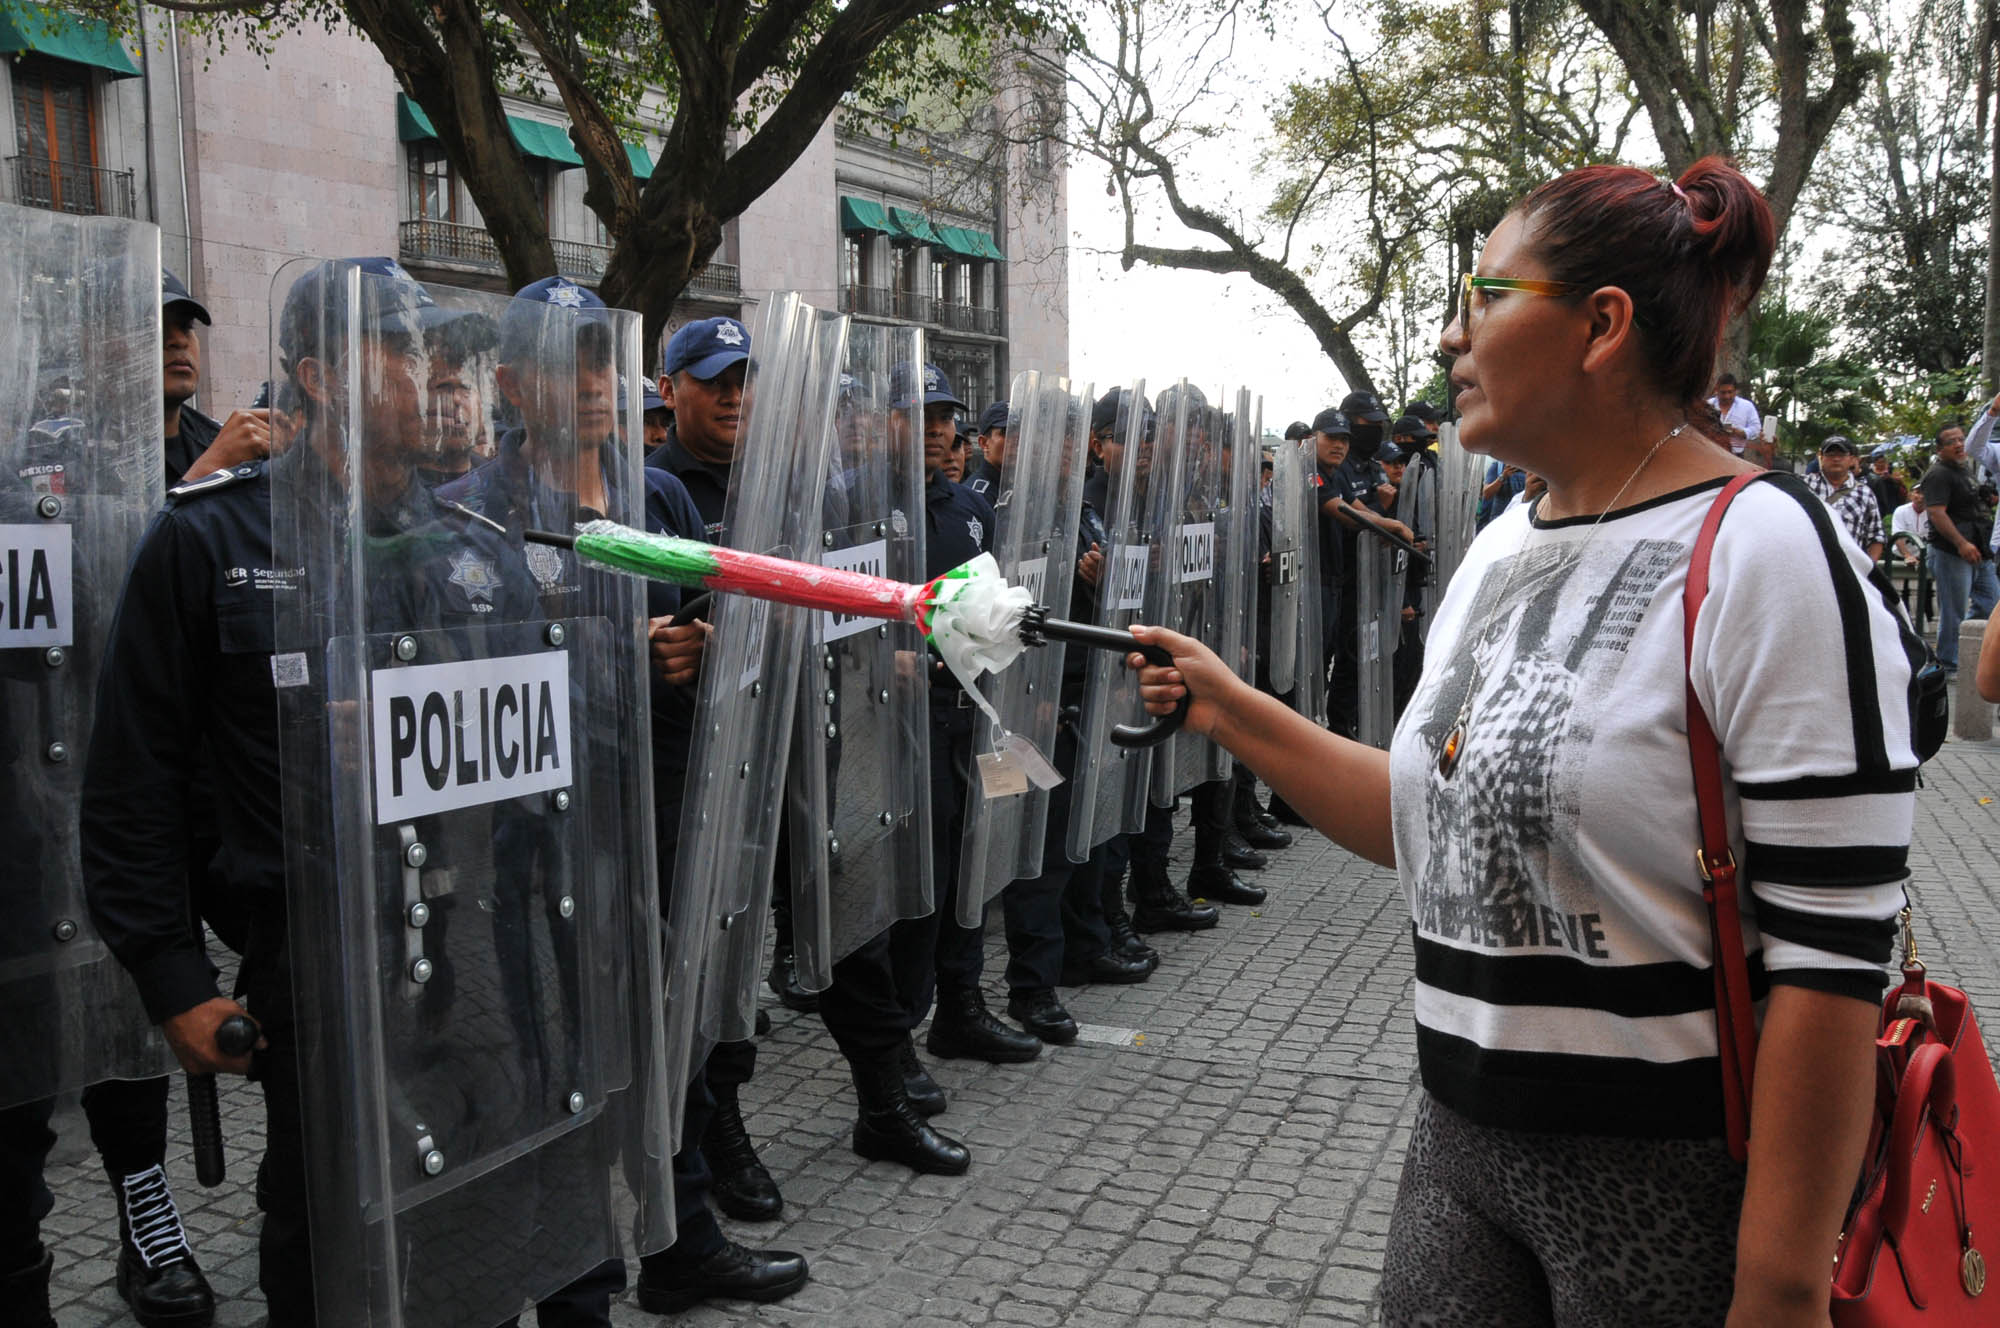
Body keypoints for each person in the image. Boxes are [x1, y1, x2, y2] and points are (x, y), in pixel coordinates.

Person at [1130, 157, 1920, 1327]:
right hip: (1456, 1149)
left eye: (1481, 299)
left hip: (1676, 1188)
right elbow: (1421, 821)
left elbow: (1829, 959)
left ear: (1600, 326)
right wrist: (1229, 707)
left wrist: (1780, 1285)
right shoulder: (1503, 543)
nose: (1451, 341)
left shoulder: (1767, 550)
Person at [162, 270, 272, 489]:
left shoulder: (217, 440)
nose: (179, 341)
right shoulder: (80, 455)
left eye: (186, 327)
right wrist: (207, 471)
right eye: (154, 326)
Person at [1918, 418, 1998, 672]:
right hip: (1951, 551)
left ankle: (1970, 648)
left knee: (1991, 601)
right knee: (1953, 612)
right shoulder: (1938, 473)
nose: (1958, 445)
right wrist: (1961, 543)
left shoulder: (1964, 469)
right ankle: (1949, 664)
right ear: (1940, 449)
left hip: (1980, 549)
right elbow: (1937, 513)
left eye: (1961, 439)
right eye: (1951, 441)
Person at [1803, 435, 1884, 562]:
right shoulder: (1804, 485)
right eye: (1830, 454)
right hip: (1812, 565)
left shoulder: (1864, 493)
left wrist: (1866, 572)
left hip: (1850, 570)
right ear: (1821, 458)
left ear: (1852, 459)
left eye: (1841, 454)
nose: (1836, 459)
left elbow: (1876, 537)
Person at [1706, 372, 1760, 453]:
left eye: (1730, 392)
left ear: (1735, 391)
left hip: (1735, 456)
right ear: (1717, 390)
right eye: (1723, 392)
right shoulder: (1708, 405)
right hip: (1710, 453)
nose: (1727, 396)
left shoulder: (1747, 406)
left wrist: (1741, 432)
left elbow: (1756, 428)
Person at [963, 399, 1006, 496]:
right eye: (1006, 432)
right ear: (984, 443)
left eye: (1021, 432)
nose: (1016, 439)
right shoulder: (974, 496)